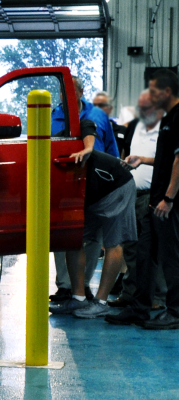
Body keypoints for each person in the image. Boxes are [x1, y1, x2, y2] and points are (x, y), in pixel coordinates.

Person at [106, 69, 179, 330]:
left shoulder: (178, 117)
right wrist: (142, 160)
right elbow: (166, 157)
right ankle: (139, 308)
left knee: (171, 257)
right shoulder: (168, 118)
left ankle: (175, 312)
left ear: (166, 92)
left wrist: (169, 198)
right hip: (155, 201)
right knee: (145, 255)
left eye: (154, 90)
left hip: (167, 203)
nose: (149, 94)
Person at [50, 119, 137, 318]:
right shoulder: (47, 153)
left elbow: (87, 124)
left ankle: (101, 302)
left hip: (116, 186)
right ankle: (78, 299)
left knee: (113, 242)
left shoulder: (74, 135)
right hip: (90, 198)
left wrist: (88, 148)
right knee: (73, 241)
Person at [50, 77, 120, 302]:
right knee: (64, 236)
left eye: (72, 91)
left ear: (81, 92)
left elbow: (111, 149)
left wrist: (113, 179)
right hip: (64, 186)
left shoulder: (97, 116)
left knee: (91, 238)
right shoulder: (53, 117)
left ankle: (83, 286)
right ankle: (65, 286)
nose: (67, 96)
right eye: (63, 92)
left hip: (95, 185)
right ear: (60, 95)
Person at [107, 90, 167, 309]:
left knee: (153, 248)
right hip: (131, 193)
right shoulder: (134, 127)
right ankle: (130, 293)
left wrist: (143, 160)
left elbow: (166, 159)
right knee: (131, 246)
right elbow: (126, 151)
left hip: (153, 196)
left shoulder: (166, 128)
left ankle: (158, 298)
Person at [93, 91, 127, 157]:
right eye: (94, 106)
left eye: (101, 105)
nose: (96, 109)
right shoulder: (88, 130)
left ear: (110, 108)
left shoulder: (123, 131)